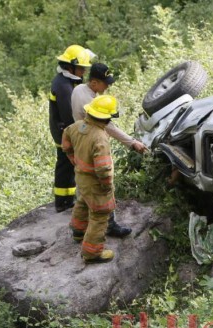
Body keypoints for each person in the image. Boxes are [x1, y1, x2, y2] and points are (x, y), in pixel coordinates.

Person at [71, 62, 148, 237]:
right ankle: (108, 226)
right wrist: (132, 142)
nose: (108, 86)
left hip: (80, 144)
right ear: (95, 83)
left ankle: (77, 230)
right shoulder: (97, 131)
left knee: (82, 188)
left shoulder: (78, 89)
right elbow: (110, 127)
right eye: (106, 83)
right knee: (102, 190)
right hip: (91, 147)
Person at [62, 95, 120, 263]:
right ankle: (92, 253)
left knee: (82, 202)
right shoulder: (100, 137)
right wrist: (107, 185)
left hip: (81, 178)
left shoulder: (76, 127)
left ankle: (78, 232)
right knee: (100, 214)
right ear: (107, 117)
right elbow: (103, 168)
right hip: (95, 183)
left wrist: (74, 160)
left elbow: (65, 143)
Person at [49, 44, 92, 212]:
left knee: (69, 166)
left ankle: (68, 199)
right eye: (81, 68)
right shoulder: (63, 86)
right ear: (70, 66)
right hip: (63, 131)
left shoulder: (69, 81)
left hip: (64, 129)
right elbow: (69, 115)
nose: (84, 71)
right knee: (65, 165)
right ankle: (62, 202)